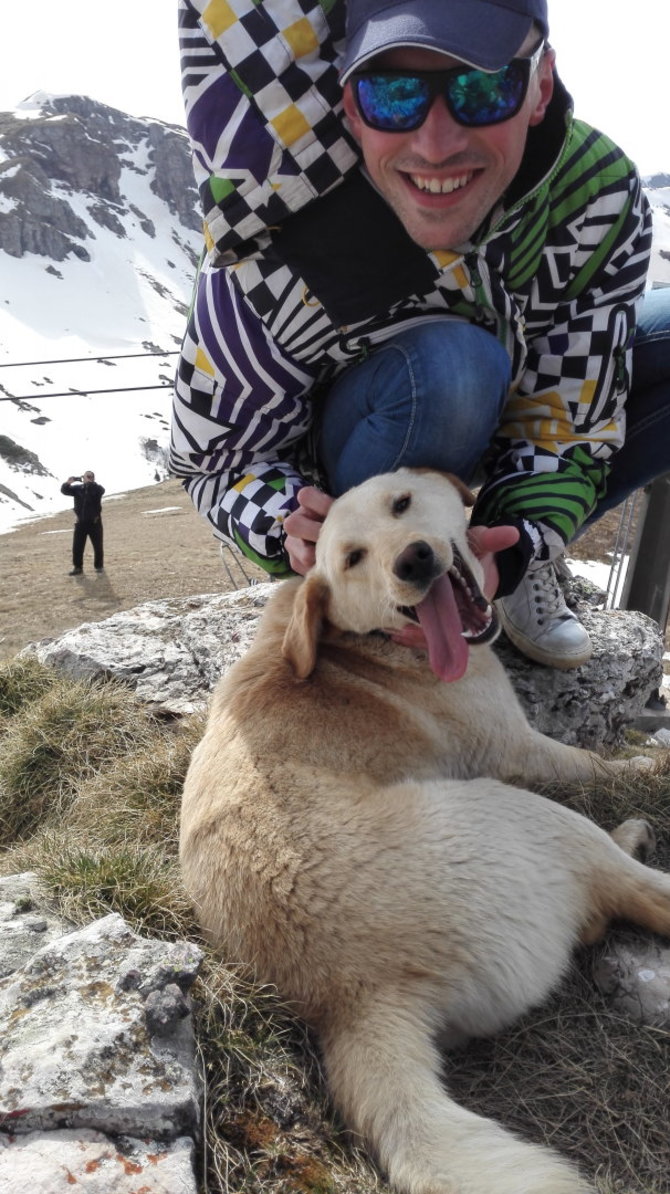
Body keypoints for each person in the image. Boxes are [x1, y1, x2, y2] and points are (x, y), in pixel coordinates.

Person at [170, 0, 670, 669]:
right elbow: (217, 458)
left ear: (539, 85)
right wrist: (287, 521)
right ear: (349, 104)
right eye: (394, 94)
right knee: (455, 369)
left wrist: (517, 546)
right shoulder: (278, 236)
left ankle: (500, 550)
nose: (436, 144)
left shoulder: (597, 194)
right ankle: (384, 586)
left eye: (484, 88)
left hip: (511, 423)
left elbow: (577, 413)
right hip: (370, 458)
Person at [60, 470, 105, 575]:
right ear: (83, 478)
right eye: (86, 476)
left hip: (95, 523)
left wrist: (91, 484)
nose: (88, 478)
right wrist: (68, 483)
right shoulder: (78, 489)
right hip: (81, 523)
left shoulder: (97, 489)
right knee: (77, 546)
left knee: (98, 546)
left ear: (93, 478)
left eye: (90, 476)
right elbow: (65, 491)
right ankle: (78, 567)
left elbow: (102, 491)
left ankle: (99, 566)